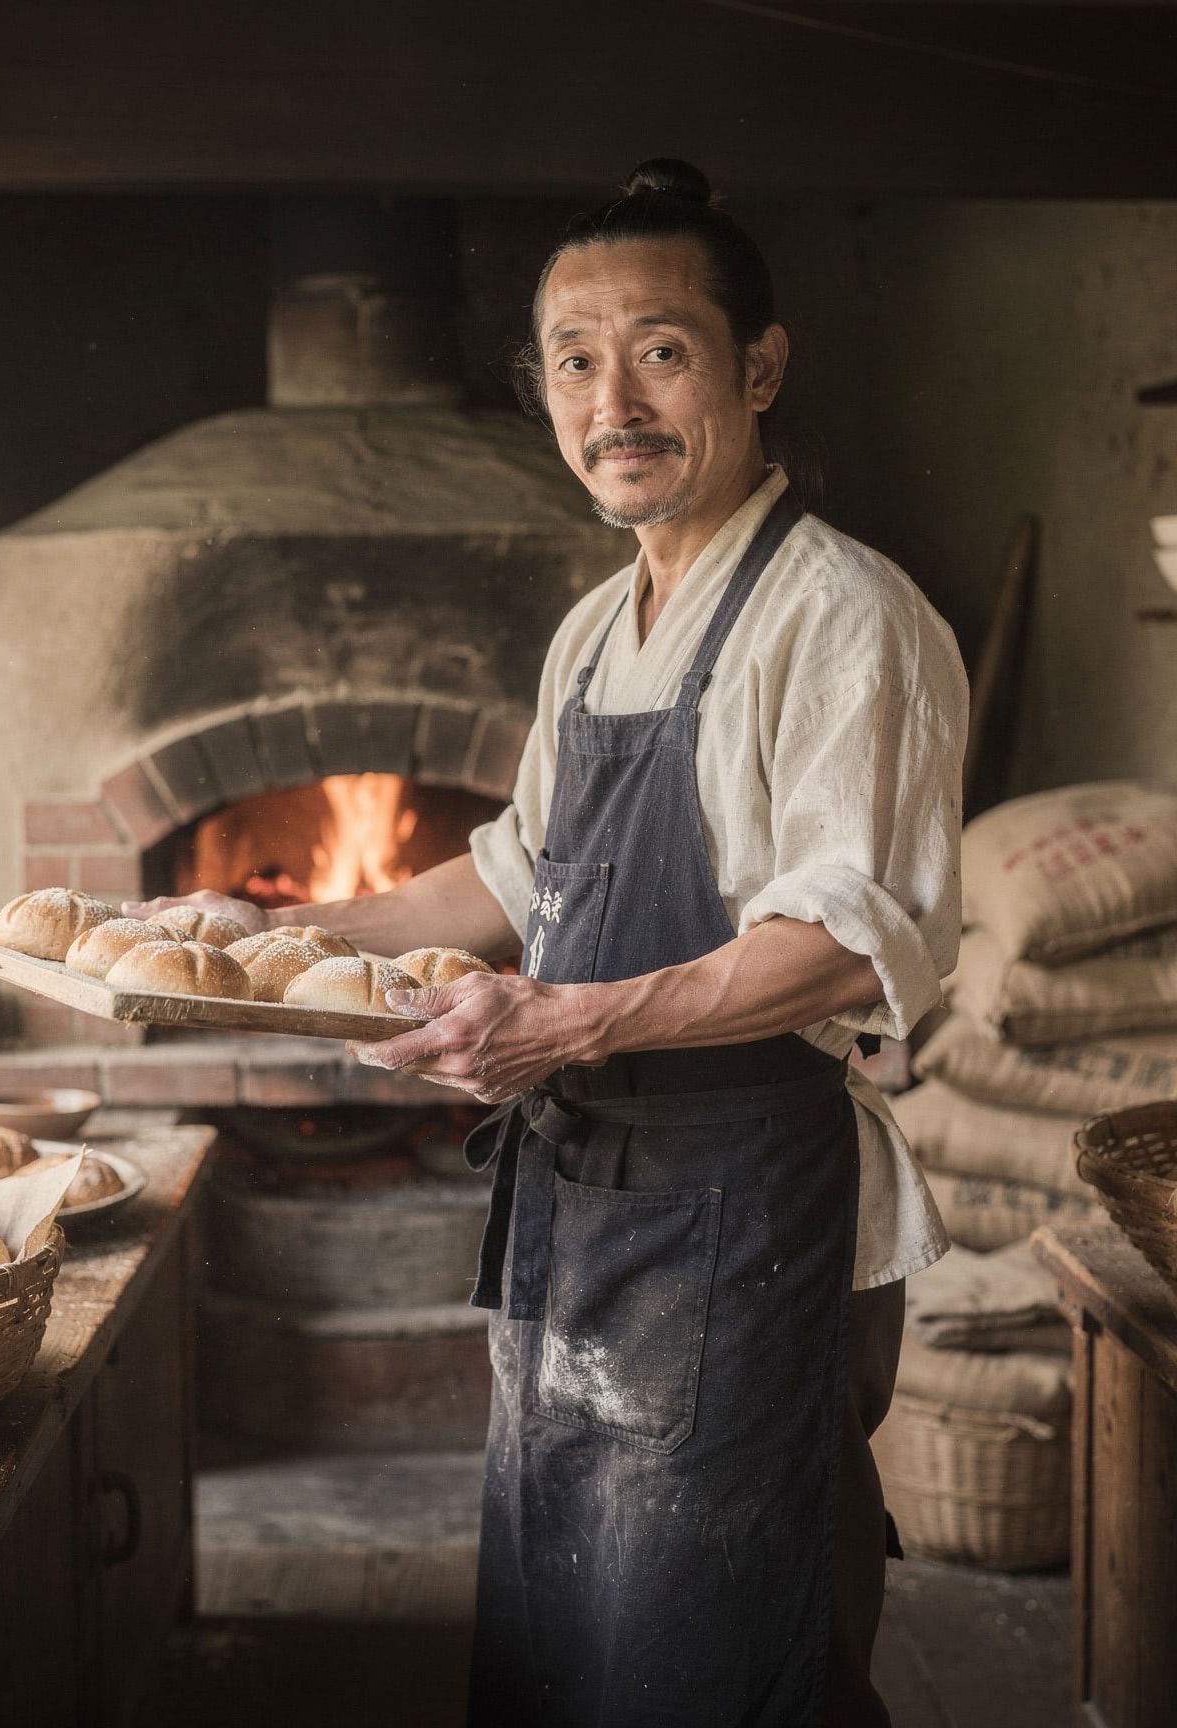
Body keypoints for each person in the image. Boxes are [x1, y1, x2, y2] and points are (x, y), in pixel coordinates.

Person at [133, 157, 966, 1726]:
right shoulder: (595, 630)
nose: (613, 402)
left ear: (758, 367)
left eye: (660, 350)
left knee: (710, 1654)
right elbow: (519, 884)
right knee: (566, 1635)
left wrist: (570, 1027)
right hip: (581, 1211)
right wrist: (258, 934)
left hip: (741, 1217)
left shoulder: (843, 619)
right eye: (575, 361)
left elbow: (847, 947)